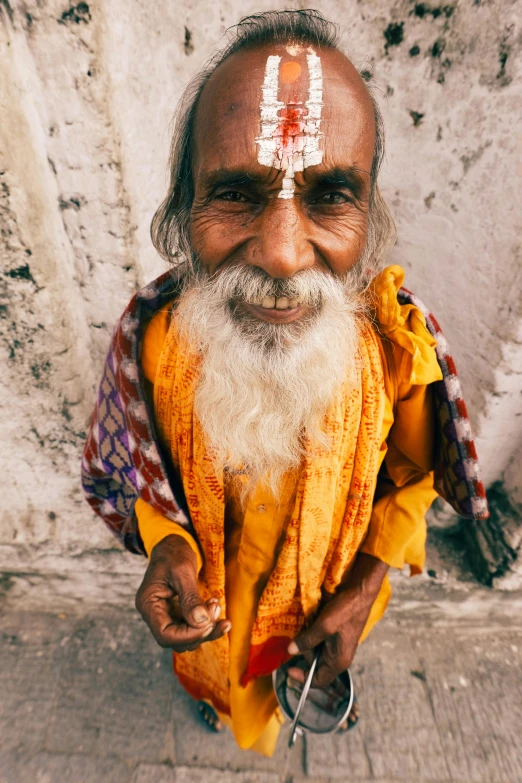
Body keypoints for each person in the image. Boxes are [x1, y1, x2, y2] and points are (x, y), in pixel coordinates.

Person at [81, 10, 488, 756]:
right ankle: (220, 701)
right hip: (217, 621)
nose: (282, 254)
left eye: (330, 195)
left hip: (325, 602)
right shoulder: (152, 344)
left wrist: (363, 591)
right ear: (183, 211)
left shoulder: (396, 352)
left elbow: (412, 479)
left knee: (304, 657)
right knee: (219, 681)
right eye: (236, 193)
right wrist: (166, 547)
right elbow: (135, 474)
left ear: (370, 218)